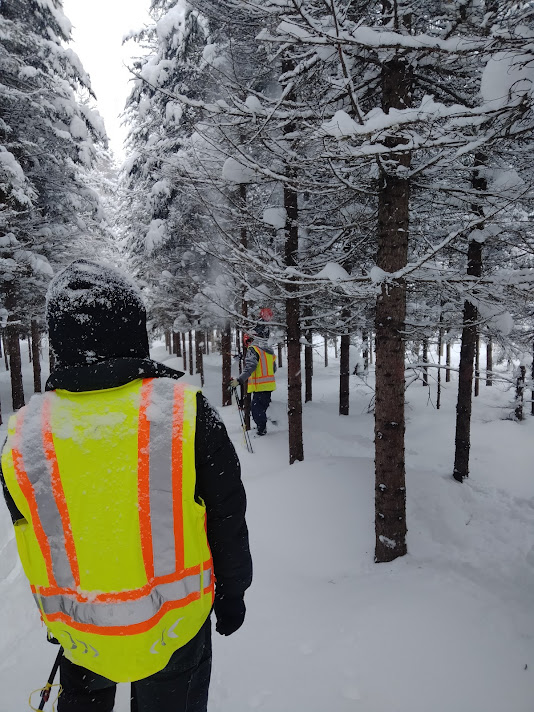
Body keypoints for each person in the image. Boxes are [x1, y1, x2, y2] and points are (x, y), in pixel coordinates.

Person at [0, 259, 252, 712]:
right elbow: (227, 514)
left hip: (79, 631)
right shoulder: (184, 412)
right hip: (174, 629)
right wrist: (232, 593)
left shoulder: (23, 433)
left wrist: (59, 620)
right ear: (133, 328)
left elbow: (35, 533)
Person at [230, 324, 276, 436]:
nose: (247, 345)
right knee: (260, 409)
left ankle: (261, 431)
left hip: (260, 387)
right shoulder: (268, 350)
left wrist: (239, 380)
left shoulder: (253, 349)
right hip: (268, 386)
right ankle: (262, 428)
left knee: (256, 410)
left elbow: (250, 367)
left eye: (247, 342)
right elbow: (273, 368)